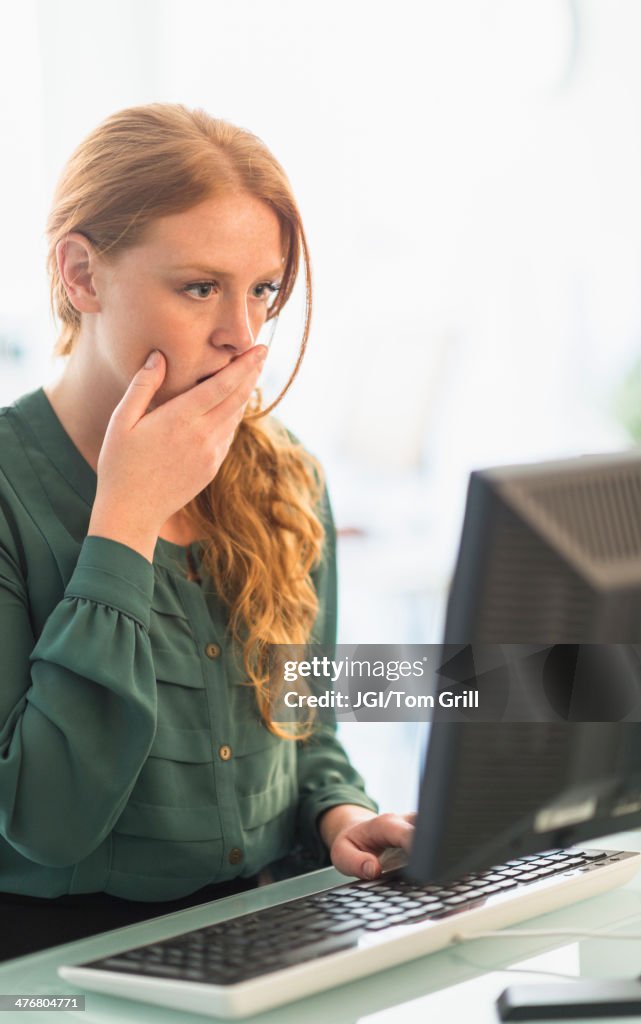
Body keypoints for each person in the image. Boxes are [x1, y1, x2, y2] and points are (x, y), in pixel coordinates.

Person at [0, 103, 414, 961]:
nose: (243, 335)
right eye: (199, 288)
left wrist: (338, 814)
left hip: (271, 929)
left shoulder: (287, 476)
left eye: (262, 289)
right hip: (56, 968)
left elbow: (305, 720)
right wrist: (127, 518)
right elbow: (44, 818)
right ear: (81, 274)